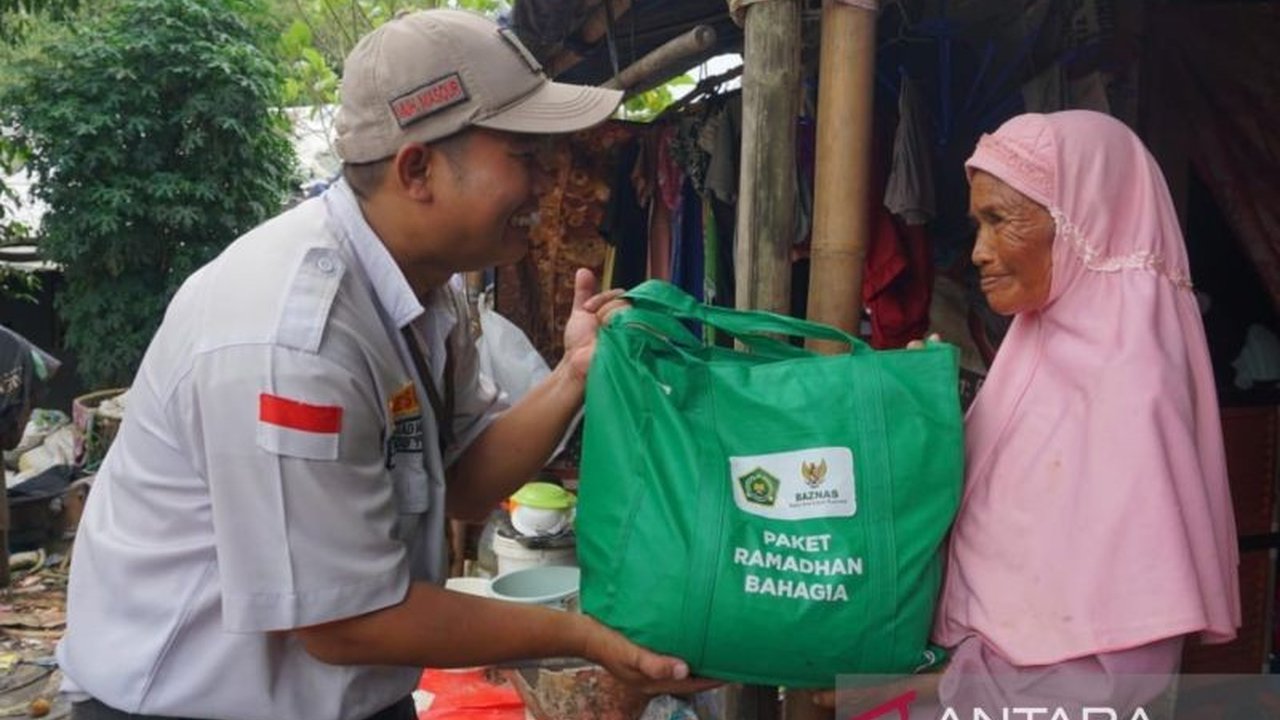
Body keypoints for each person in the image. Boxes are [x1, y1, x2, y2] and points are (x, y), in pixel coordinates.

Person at [56, 10, 713, 720]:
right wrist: (580, 634)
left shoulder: (428, 291)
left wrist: (574, 374)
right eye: (525, 155)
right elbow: (344, 623)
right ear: (418, 168)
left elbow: (461, 484)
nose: (551, 179)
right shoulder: (291, 339)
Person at [818, 110, 1240, 716]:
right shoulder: (1032, 363)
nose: (979, 253)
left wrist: (920, 692)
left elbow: (1121, 687)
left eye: (998, 221)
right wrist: (920, 422)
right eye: (977, 225)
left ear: (1083, 223)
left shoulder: (1129, 397)